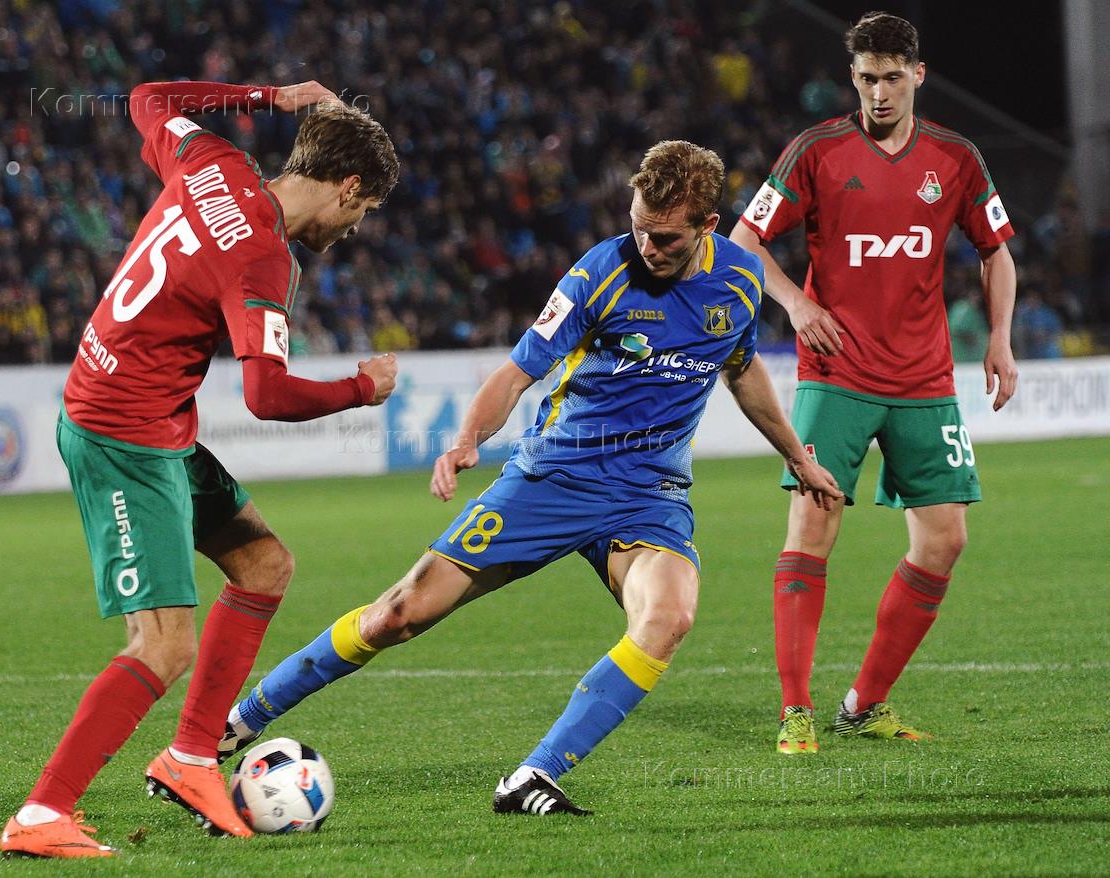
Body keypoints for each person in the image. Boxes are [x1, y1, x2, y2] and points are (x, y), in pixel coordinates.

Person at [216, 140, 842, 815]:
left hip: (649, 496)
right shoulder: (600, 274)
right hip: (553, 478)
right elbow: (517, 373)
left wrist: (797, 456)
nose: (647, 247)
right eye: (637, 227)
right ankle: (239, 721)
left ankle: (532, 777)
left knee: (668, 618)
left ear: (708, 227)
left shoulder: (741, 281)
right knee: (397, 614)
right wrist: (466, 440)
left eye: (664, 238)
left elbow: (742, 369)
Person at [0, 79, 400, 858]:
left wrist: (269, 94)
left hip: (151, 420)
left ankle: (190, 759)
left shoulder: (214, 162)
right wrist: (362, 388)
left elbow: (148, 96)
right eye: (365, 210)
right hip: (124, 434)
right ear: (348, 186)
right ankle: (42, 814)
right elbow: (267, 395)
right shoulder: (260, 256)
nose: (356, 228)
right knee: (164, 645)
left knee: (264, 565)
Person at [728, 11, 1018, 755]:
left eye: (892, 77)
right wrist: (795, 304)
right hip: (837, 374)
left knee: (945, 540)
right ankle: (796, 709)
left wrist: (1001, 339)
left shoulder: (956, 158)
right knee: (813, 526)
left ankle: (863, 703)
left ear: (918, 75)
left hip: (924, 378)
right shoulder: (817, 151)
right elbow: (744, 239)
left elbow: (995, 250)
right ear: (851, 77)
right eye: (866, 79)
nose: (879, 93)